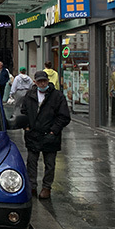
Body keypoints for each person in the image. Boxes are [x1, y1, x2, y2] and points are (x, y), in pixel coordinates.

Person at [20, 70, 71, 199]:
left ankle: (46, 187)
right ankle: (32, 185)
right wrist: (26, 126)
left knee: (49, 164)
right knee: (31, 162)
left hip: (50, 135)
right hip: (33, 134)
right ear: (35, 82)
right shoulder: (30, 95)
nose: (42, 84)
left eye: (44, 81)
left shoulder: (57, 96)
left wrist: (54, 130)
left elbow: (64, 116)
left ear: (48, 81)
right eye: (40, 81)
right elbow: (23, 111)